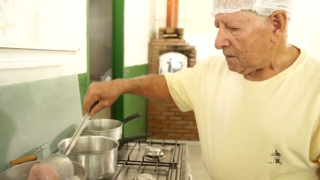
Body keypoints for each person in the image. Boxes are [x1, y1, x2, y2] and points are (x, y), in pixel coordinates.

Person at [83, 0, 320, 179]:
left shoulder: (315, 87)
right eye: (218, 26)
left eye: (233, 28)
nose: (218, 42)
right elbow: (168, 85)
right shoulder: (212, 71)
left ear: (276, 25)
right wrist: (121, 85)